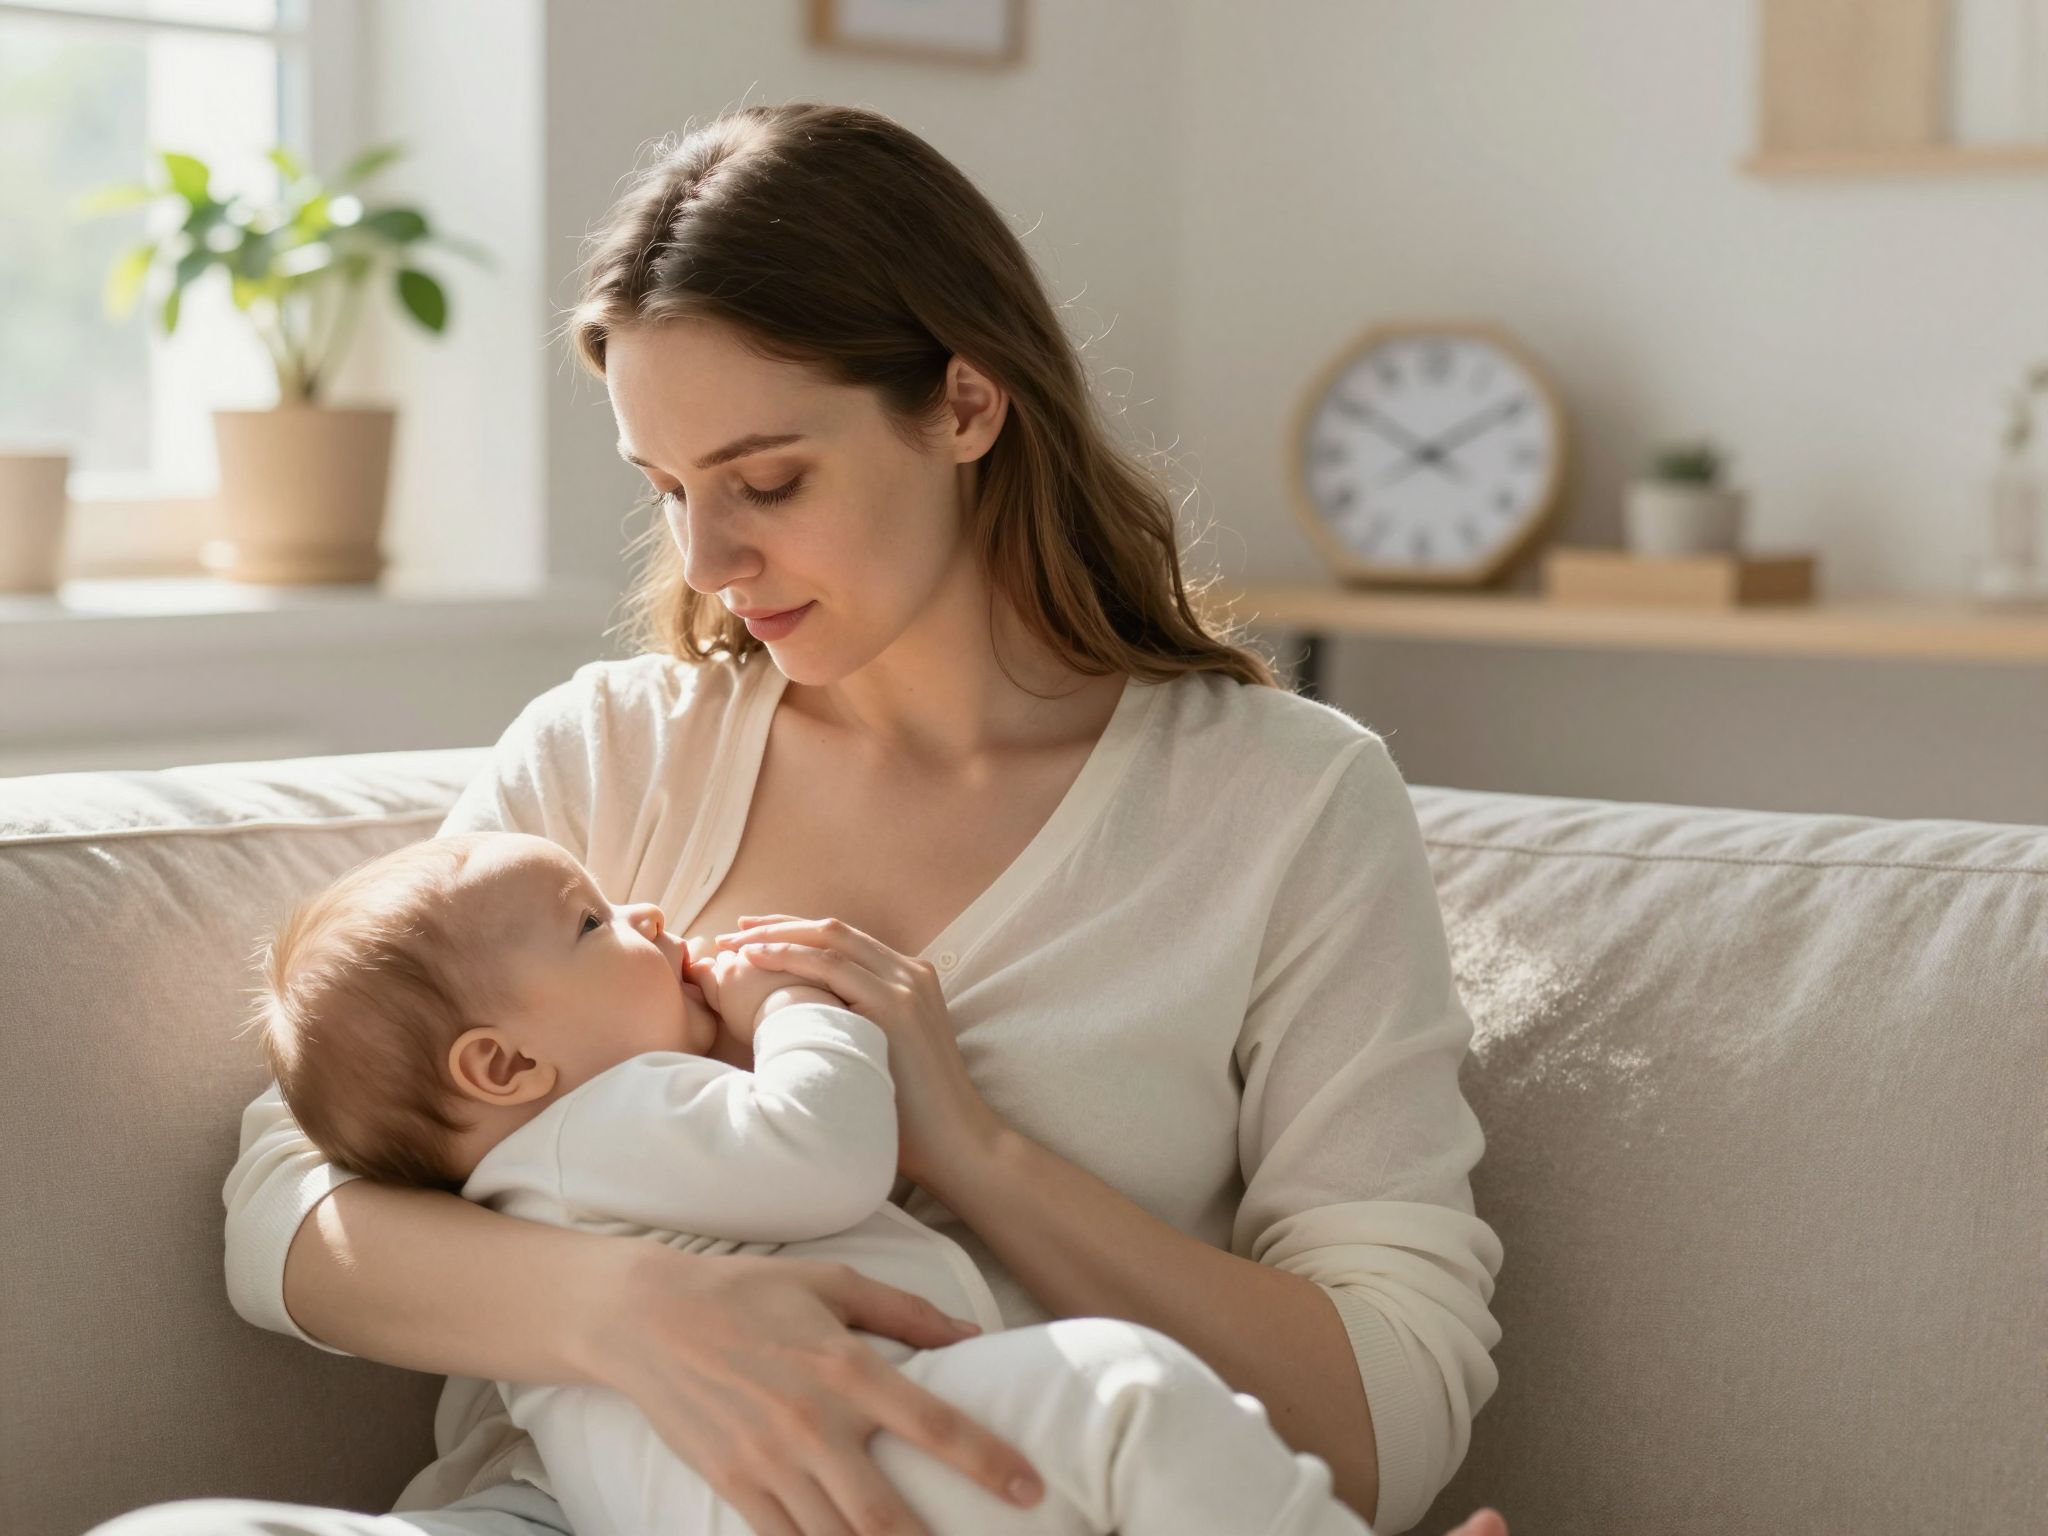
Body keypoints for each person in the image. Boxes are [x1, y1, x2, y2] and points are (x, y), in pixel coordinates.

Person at [91, 100, 1510, 1536]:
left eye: (768, 480)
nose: (710, 557)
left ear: (965, 404)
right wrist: (641, 1313)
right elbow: (288, 1204)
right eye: (669, 492)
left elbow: (1396, 1406)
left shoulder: (1284, 800)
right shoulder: (614, 754)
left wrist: (976, 1153)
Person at [240, 826, 1380, 1536]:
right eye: (590, 923)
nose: (642, 912)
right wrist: (794, 1012)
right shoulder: (606, 1120)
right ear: (503, 1065)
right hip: (807, 1475)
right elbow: (821, 1152)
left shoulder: (535, 1177)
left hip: (728, 1499)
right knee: (1122, 1392)